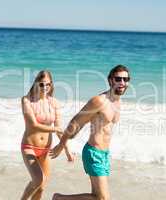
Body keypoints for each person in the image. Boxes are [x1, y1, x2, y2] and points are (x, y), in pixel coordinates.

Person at [50, 65, 130, 200]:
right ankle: (59, 198)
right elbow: (76, 123)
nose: (122, 82)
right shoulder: (99, 101)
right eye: (118, 79)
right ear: (111, 81)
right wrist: (61, 145)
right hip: (93, 153)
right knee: (102, 198)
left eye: (126, 79)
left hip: (104, 155)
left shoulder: (117, 101)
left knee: (96, 196)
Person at [20, 70, 74, 200]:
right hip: (29, 146)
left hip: (45, 150)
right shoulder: (27, 100)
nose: (45, 87)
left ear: (51, 85)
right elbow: (33, 125)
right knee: (38, 180)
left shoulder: (54, 102)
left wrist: (67, 149)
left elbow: (59, 130)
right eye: (42, 84)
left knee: (42, 187)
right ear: (36, 83)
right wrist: (56, 128)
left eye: (48, 84)